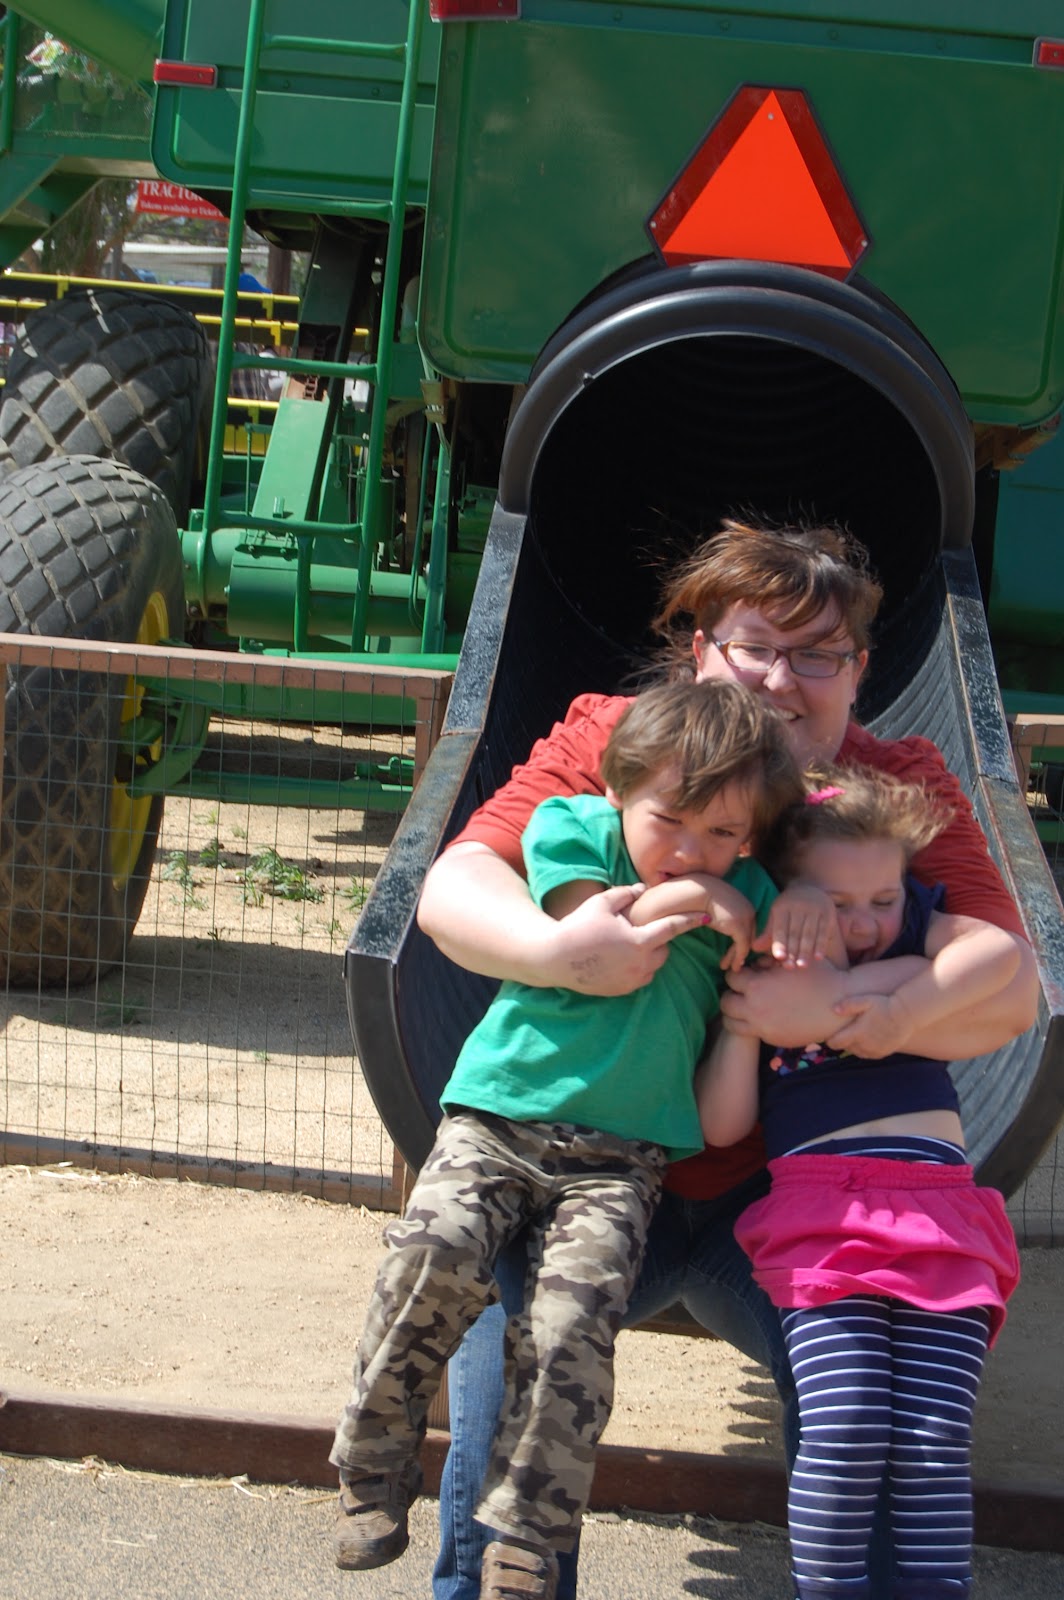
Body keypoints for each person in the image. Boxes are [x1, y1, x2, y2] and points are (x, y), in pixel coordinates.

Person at [417, 518, 1038, 1600]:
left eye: (819, 655)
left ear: (859, 672)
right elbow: (454, 887)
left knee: (863, 1417)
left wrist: (832, 1010)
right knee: (514, 1344)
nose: (781, 680)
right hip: (594, 1175)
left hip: (787, 1196)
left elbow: (1011, 989)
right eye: (755, 646)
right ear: (700, 651)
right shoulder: (620, 739)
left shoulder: (888, 788)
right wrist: (560, 952)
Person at [330, 679, 803, 1599]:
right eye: (670, 819)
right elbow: (605, 915)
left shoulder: (753, 894)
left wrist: (751, 919)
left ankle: (528, 1532)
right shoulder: (574, 830)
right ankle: (373, 1461)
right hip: (500, 1121)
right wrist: (711, 895)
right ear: (622, 789)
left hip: (621, 1163)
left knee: (572, 1329)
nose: (690, 849)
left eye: (722, 833)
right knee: (431, 1257)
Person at [698, 765, 1022, 1600]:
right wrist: (744, 1023)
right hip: (822, 1216)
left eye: (884, 897)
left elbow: (999, 953)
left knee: (932, 1438)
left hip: (940, 1216)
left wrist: (886, 1006)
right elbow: (724, 1127)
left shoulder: (911, 939)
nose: (869, 921)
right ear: (792, 899)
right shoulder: (768, 972)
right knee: (844, 1423)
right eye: (839, 903)